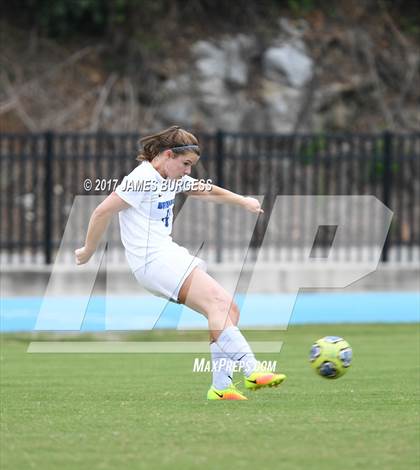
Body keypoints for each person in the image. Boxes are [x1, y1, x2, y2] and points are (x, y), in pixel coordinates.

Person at [75, 125, 286, 400]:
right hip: (153, 261)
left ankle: (221, 388)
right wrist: (89, 250)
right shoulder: (141, 179)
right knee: (217, 305)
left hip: (166, 255)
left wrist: (243, 202)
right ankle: (253, 369)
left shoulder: (169, 177)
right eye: (185, 164)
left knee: (228, 310)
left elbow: (205, 190)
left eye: (191, 165)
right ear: (167, 155)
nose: (188, 171)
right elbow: (101, 212)